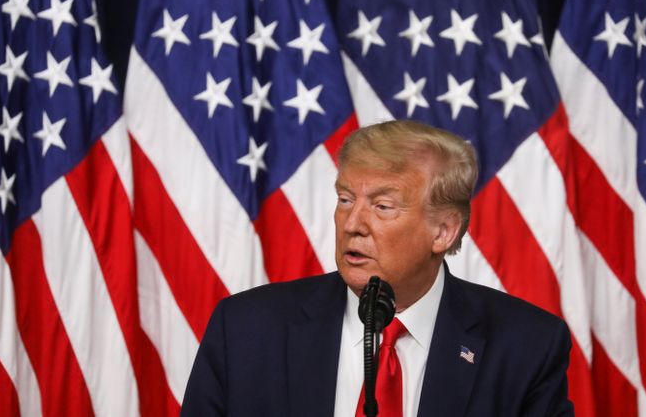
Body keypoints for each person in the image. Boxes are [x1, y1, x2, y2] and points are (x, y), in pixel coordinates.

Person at [181, 120, 574, 416]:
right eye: (346, 199)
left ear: (443, 231)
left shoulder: (525, 347)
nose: (353, 224)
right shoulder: (246, 330)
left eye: (383, 207)